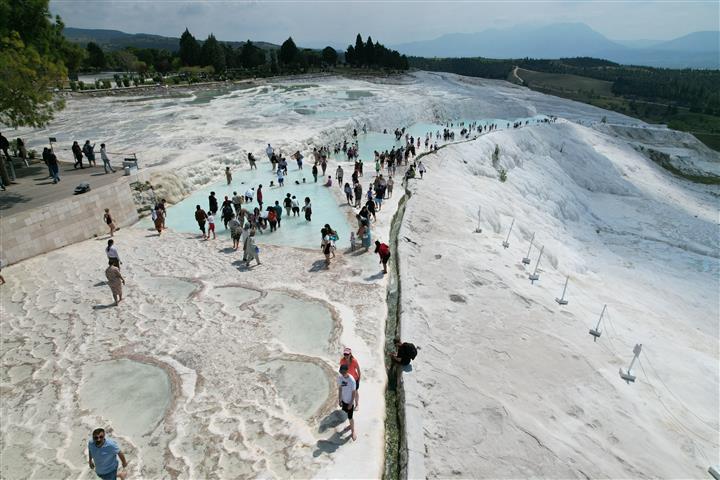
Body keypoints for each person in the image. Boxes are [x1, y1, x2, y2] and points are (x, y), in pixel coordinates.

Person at [337, 364, 358, 441]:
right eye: (340, 372)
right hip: (344, 400)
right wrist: (340, 399)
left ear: (346, 371)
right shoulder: (340, 378)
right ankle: (350, 425)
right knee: (346, 413)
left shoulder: (351, 380)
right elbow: (340, 389)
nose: (342, 373)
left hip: (350, 402)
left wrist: (351, 403)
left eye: (343, 372)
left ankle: (353, 431)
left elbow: (354, 392)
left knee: (350, 417)